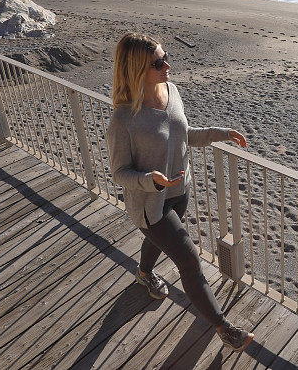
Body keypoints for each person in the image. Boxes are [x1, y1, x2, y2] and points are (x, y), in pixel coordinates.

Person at [105, 32, 254, 352]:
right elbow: (119, 173)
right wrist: (151, 180)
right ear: (136, 70)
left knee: (157, 240)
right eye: (158, 63)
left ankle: (144, 273)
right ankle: (224, 328)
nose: (167, 65)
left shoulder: (171, 91)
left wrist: (222, 133)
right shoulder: (123, 119)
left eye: (165, 56)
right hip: (149, 203)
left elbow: (184, 134)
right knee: (189, 258)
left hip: (179, 193)